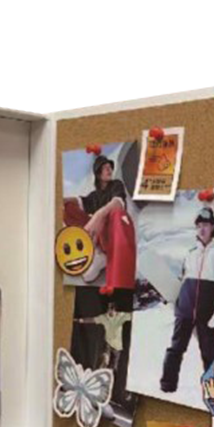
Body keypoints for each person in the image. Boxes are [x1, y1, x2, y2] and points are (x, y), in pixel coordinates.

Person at [160, 206, 214, 393]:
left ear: (213, 227)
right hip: (185, 310)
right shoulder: (191, 253)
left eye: (206, 225)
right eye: (199, 225)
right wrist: (174, 300)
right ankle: (167, 385)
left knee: (210, 353)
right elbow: (183, 279)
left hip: (206, 312)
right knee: (175, 349)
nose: (202, 229)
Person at [63, 155, 136, 295]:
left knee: (111, 213)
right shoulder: (95, 195)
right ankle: (93, 248)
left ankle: (103, 254)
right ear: (98, 173)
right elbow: (81, 201)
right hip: (97, 236)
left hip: (111, 237)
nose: (109, 170)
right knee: (68, 208)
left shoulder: (116, 184)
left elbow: (118, 203)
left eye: (110, 167)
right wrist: (62, 200)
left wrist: (99, 215)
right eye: (105, 168)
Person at [74, 302, 132, 371]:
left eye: (112, 309)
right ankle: (99, 371)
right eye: (109, 309)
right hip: (108, 343)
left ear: (115, 310)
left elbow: (131, 315)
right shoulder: (104, 317)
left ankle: (109, 373)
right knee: (105, 359)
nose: (110, 312)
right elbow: (92, 320)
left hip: (117, 347)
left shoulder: (121, 316)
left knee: (113, 367)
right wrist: (80, 320)